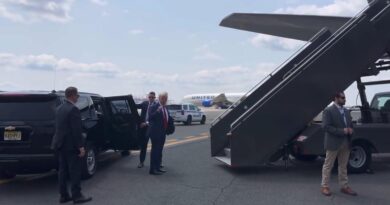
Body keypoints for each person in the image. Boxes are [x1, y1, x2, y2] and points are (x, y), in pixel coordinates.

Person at [51, 87, 92, 204]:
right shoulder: (73, 109)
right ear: (72, 95)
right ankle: (77, 196)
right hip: (71, 146)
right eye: (77, 95)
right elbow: (76, 131)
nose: (78, 98)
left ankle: (63, 196)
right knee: (75, 171)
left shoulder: (59, 108)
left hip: (60, 144)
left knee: (62, 171)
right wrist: (81, 147)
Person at [321, 92, 357, 196]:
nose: (345, 99)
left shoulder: (346, 111)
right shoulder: (328, 110)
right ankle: (325, 186)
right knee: (328, 165)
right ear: (336, 98)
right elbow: (326, 127)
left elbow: (350, 124)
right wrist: (343, 131)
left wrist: (351, 130)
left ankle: (344, 186)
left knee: (343, 166)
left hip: (346, 142)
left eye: (345, 97)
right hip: (333, 142)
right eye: (342, 98)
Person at [147, 91, 170, 175]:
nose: (165, 100)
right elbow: (150, 118)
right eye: (163, 98)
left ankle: (158, 167)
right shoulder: (154, 106)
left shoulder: (165, 107)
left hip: (162, 133)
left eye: (166, 98)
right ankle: (152, 170)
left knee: (159, 151)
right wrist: (157, 111)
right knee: (155, 151)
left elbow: (167, 117)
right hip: (155, 133)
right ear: (159, 98)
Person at [136, 91, 156, 168]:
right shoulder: (144, 103)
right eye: (149, 97)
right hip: (144, 129)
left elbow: (154, 118)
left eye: (152, 97)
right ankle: (141, 162)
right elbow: (135, 106)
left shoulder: (157, 106)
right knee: (143, 146)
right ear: (148, 97)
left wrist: (146, 123)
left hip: (152, 128)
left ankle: (157, 163)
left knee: (155, 146)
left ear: (154, 98)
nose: (151, 98)